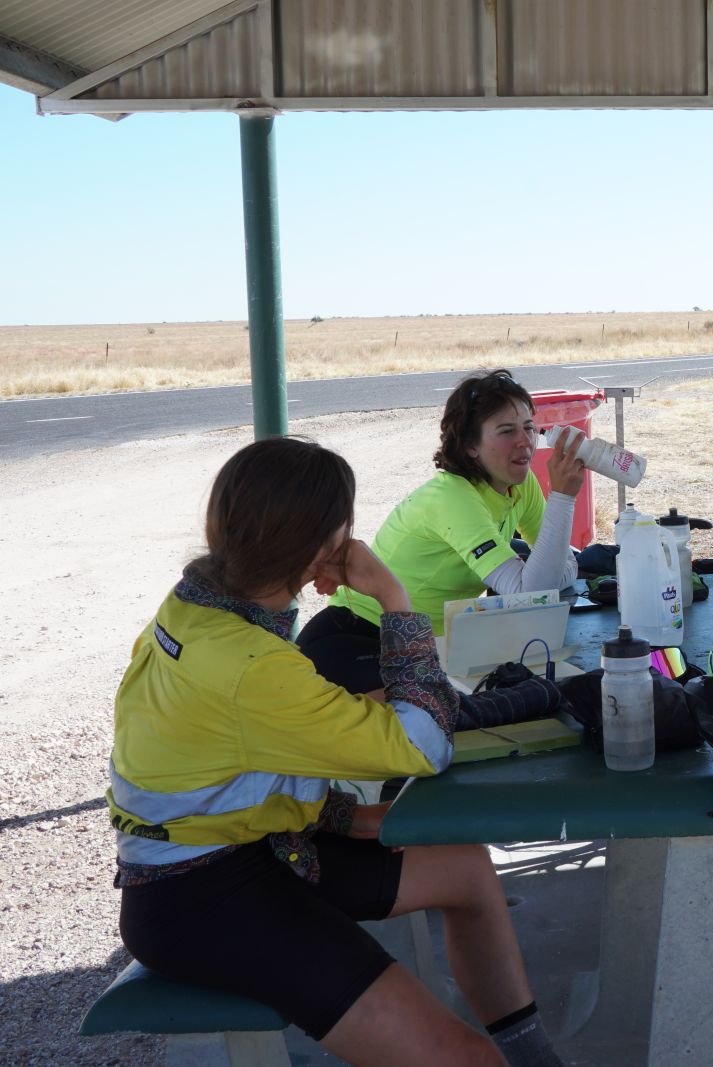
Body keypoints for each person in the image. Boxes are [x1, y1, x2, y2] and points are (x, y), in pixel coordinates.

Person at [110, 437, 565, 1066]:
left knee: (464, 868)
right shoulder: (251, 663)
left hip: (241, 848)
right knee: (468, 1060)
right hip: (203, 898)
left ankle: (536, 1058)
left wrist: (338, 816)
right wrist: (393, 598)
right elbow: (424, 744)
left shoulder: (195, 603)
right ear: (322, 544)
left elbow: (224, 758)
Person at [298, 369, 587, 696]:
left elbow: (560, 566)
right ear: (470, 446)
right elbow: (531, 587)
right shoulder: (453, 497)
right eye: (507, 430)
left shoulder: (519, 485)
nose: (525, 441)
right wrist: (563, 498)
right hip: (357, 639)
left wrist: (553, 569)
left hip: (428, 645)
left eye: (529, 427)